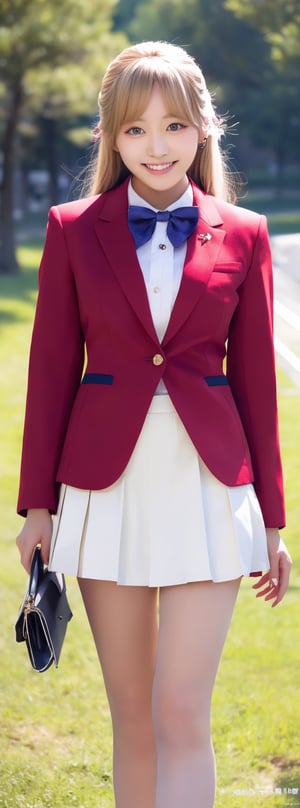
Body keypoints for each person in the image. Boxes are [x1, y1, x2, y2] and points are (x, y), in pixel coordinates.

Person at [16, 40, 292, 808]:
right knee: (132, 716)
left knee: (181, 709)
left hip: (210, 486)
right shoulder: (73, 229)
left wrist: (272, 521)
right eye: (134, 130)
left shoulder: (244, 230)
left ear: (204, 128)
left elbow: (257, 390)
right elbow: (48, 378)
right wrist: (37, 507)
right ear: (110, 137)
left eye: (173, 125)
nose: (156, 145)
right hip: (107, 487)